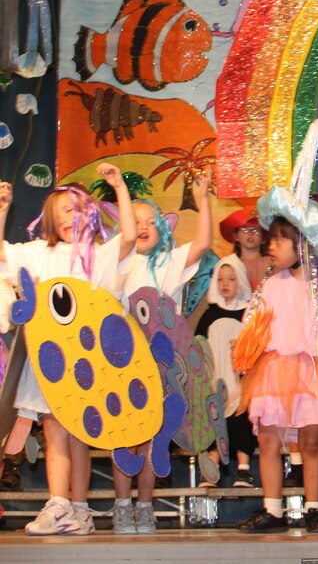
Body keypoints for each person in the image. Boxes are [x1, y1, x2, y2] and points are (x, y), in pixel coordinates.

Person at [0, 166, 136, 535]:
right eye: (63, 210)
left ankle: (79, 509)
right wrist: (2, 211)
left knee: (79, 431)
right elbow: (1, 255)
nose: (71, 217)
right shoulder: (38, 253)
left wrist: (119, 186)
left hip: (86, 357)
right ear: (49, 218)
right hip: (49, 357)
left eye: (78, 210)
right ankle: (59, 503)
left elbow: (128, 239)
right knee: (55, 427)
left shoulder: (96, 254)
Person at [235, 201, 318, 534]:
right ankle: (273, 509)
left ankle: (313, 507)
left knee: (311, 441)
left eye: (280, 240)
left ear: (302, 244)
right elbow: (254, 325)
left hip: (313, 371)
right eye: (273, 240)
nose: (271, 246)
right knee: (268, 439)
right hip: (274, 369)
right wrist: (245, 353)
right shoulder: (270, 284)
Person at [111, 175, 212, 534]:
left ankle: (145, 505)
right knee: (126, 433)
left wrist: (202, 200)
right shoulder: (119, 266)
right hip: (125, 362)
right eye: (134, 221)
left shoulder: (170, 261)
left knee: (156, 435)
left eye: (150, 221)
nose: (142, 227)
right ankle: (122, 505)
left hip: (163, 363)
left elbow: (203, 243)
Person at [194, 256, 256, 488]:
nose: (226, 284)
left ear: (240, 280)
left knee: (241, 422)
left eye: (231, 279)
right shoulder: (209, 315)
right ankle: (211, 468)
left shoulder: (248, 315)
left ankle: (244, 468)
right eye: (220, 280)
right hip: (215, 379)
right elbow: (198, 346)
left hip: (240, 381)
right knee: (215, 422)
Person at [219, 208, 271, 291]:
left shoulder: (272, 264)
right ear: (236, 236)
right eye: (245, 229)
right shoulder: (228, 264)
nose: (250, 233)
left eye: (256, 230)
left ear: (264, 239)